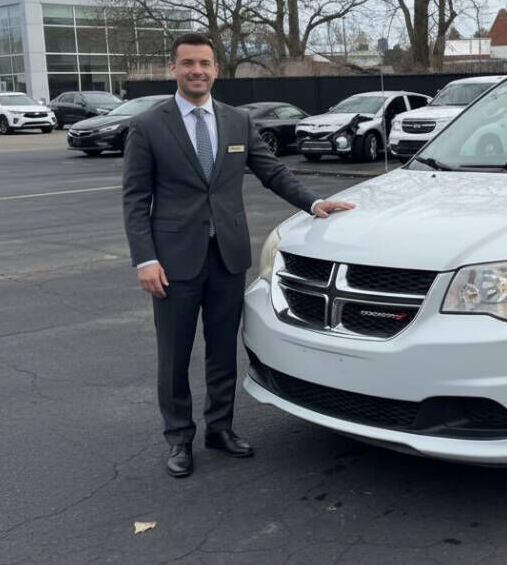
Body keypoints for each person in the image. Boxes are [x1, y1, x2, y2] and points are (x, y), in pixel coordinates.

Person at [122, 33, 353, 477]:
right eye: (188, 63)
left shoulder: (235, 122)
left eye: (205, 63)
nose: (197, 71)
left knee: (223, 348)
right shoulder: (150, 126)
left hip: (226, 256)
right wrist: (144, 259)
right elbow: (134, 200)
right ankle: (178, 438)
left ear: (215, 69)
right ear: (173, 68)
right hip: (173, 263)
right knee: (174, 353)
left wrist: (313, 203)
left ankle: (219, 428)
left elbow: (271, 170)